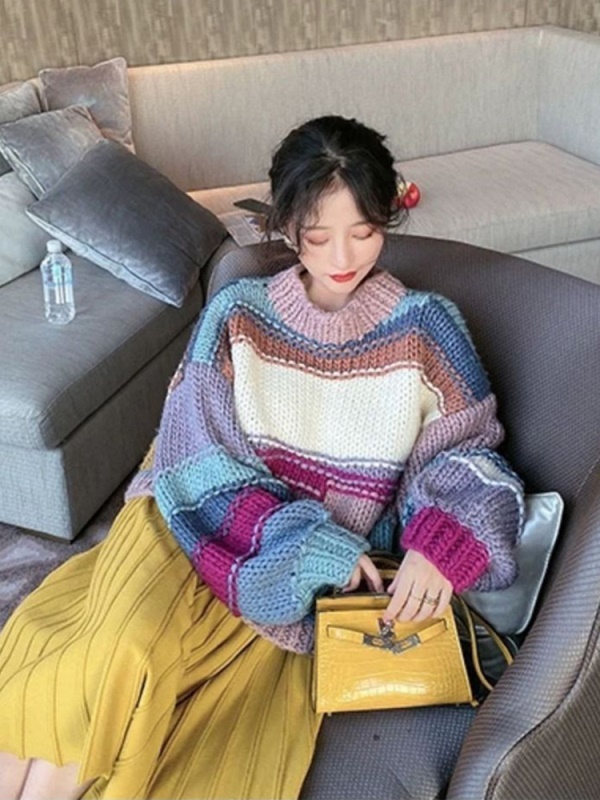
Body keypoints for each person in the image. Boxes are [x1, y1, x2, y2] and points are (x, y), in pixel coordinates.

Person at [0, 115, 524, 799]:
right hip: (185, 526)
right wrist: (303, 542)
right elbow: (193, 456)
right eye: (318, 235)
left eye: (364, 230)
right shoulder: (238, 314)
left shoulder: (427, 328)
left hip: (294, 586)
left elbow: (469, 453)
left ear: (387, 217)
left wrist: (437, 544)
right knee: (116, 656)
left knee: (180, 737)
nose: (343, 254)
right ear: (285, 225)